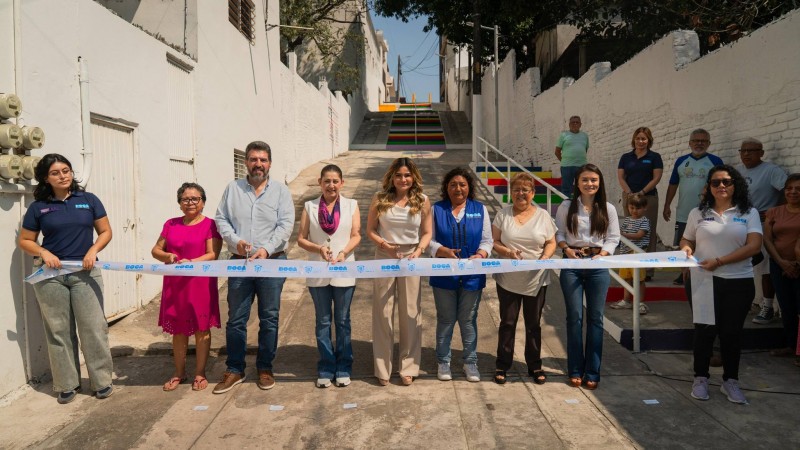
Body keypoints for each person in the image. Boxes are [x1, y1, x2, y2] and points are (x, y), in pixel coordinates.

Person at [18, 153, 114, 404]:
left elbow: (105, 231)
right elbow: (25, 240)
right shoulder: (38, 207)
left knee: (93, 328)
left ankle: (102, 381)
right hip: (51, 276)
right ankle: (66, 384)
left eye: (66, 171)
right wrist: (44, 252)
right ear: (45, 178)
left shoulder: (89, 200)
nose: (62, 176)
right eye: (55, 173)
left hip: (85, 273)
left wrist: (93, 250)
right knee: (58, 331)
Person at [213, 141, 295, 394]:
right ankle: (235, 369)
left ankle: (265, 367)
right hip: (240, 263)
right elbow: (221, 219)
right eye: (253, 159)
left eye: (263, 160)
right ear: (246, 162)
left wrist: (266, 249)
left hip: (272, 263)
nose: (258, 164)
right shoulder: (233, 189)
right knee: (236, 319)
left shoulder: (280, 191)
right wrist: (235, 241)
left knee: (269, 318)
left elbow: (285, 225)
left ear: (269, 163)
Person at [680, 165, 762, 404]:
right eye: (715, 182)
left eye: (727, 181)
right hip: (703, 281)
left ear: (735, 184)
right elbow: (687, 239)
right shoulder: (698, 212)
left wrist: (719, 261)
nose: (721, 186)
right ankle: (700, 378)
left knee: (731, 333)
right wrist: (686, 249)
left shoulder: (749, 213)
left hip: (738, 281)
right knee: (704, 332)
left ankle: (731, 381)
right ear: (709, 187)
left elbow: (754, 246)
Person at [367, 157, 432, 386]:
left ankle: (408, 367)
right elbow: (370, 230)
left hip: (411, 257)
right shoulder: (380, 198)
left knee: (410, 312)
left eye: (407, 175)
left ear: (413, 177)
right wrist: (384, 245)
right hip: (385, 255)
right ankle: (382, 368)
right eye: (398, 175)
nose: (403, 179)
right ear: (391, 177)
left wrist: (419, 250)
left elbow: (427, 232)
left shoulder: (422, 200)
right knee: (383, 313)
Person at [151, 182, 222, 392]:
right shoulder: (170, 224)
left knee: (202, 329)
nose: (190, 202)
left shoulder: (210, 225)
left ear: (203, 202)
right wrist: (168, 256)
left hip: (200, 283)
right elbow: (156, 250)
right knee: (178, 330)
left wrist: (191, 262)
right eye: (185, 199)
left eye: (195, 199)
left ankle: (200, 373)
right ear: (179, 203)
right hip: (176, 285)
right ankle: (179, 372)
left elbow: (212, 254)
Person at [555, 164, 620, 390]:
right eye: (585, 179)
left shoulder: (608, 208)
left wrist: (603, 254)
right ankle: (575, 369)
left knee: (596, 318)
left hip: (598, 265)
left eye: (593, 180)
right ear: (577, 182)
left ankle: (592, 371)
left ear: (600, 183)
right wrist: (566, 248)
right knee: (574, 318)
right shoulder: (566, 206)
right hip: (572, 264)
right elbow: (559, 233)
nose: (589, 184)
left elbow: (613, 237)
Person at [296, 164, 361, 388]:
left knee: (342, 321)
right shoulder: (310, 206)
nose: (331, 185)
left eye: (335, 181)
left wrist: (343, 252)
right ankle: (326, 366)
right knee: (323, 321)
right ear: (320, 183)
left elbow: (356, 235)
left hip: (344, 269)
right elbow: (301, 238)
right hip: (318, 271)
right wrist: (319, 249)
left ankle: (343, 366)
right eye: (327, 181)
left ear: (342, 183)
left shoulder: (351, 205)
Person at [491, 173, 557, 385]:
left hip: (536, 279)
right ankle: (502, 364)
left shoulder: (543, 216)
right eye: (516, 190)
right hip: (508, 279)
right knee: (507, 323)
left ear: (533, 193)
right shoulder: (503, 214)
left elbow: (551, 242)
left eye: (525, 190)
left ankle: (535, 365)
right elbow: (494, 241)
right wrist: (508, 252)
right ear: (511, 193)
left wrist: (545, 258)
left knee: (533, 324)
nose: (521, 194)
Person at [429, 167, 493, 383]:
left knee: (468, 319)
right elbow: (428, 240)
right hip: (443, 274)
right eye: (453, 185)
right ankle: (443, 361)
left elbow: (487, 240)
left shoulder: (480, 209)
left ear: (469, 187)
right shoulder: (436, 209)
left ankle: (470, 362)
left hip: (472, 274)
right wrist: (442, 251)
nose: (458, 189)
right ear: (446, 188)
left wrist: (481, 254)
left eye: (462, 185)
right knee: (446, 319)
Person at [736, 138, 787, 325]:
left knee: (765, 268)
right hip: (740, 224)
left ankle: (767, 307)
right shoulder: (737, 171)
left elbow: (787, 190)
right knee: (742, 265)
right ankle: (743, 302)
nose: (746, 154)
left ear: (761, 153)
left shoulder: (771, 170)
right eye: (743, 150)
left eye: (751, 150)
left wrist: (776, 211)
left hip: (763, 224)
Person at [663, 129, 723, 285]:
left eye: (703, 141)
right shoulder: (681, 161)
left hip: (708, 212)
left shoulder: (716, 161)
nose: (699, 143)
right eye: (696, 140)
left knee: (705, 243)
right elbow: (673, 184)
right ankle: (684, 273)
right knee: (684, 243)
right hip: (684, 212)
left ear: (709, 143)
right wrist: (667, 204)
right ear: (690, 143)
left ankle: (701, 271)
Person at [616, 127, 663, 279]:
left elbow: (656, 178)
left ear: (649, 140)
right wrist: (630, 193)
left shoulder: (654, 157)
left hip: (648, 198)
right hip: (629, 197)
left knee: (648, 232)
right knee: (631, 228)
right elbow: (621, 177)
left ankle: (647, 270)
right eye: (638, 138)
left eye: (644, 139)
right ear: (634, 139)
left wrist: (642, 192)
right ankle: (630, 267)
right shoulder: (626, 157)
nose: (640, 141)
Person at [762, 174, 800, 358]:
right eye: (789, 188)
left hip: (798, 266)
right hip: (779, 265)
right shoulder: (774, 212)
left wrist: (796, 264)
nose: (793, 192)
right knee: (787, 306)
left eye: (798, 189)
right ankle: (791, 345)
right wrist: (782, 262)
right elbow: (767, 240)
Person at [609, 194, 650, 314]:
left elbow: (639, 235)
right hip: (625, 254)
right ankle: (626, 300)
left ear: (645, 208)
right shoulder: (627, 220)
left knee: (639, 279)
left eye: (638, 208)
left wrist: (623, 235)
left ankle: (640, 302)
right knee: (626, 278)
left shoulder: (644, 221)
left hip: (637, 254)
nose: (634, 211)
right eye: (632, 208)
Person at [555, 116, 590, 196]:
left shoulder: (585, 136)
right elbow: (557, 151)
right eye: (573, 122)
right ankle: (566, 203)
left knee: (582, 188)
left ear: (580, 124)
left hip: (582, 166)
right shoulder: (563, 135)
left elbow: (585, 149)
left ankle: (579, 203)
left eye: (577, 122)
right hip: (567, 167)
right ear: (569, 124)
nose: (575, 124)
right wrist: (564, 161)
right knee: (566, 189)